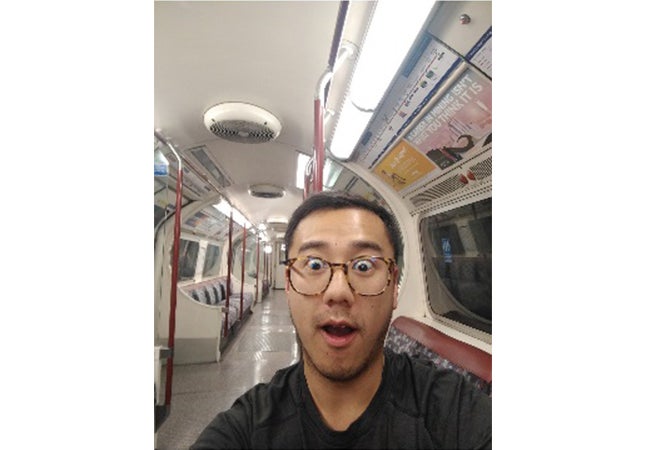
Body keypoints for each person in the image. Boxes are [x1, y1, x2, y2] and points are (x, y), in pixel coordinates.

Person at [191, 190, 491, 449]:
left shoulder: (452, 408)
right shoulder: (245, 429)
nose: (338, 291)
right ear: (288, 283)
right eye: (314, 264)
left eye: (363, 265)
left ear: (394, 285)